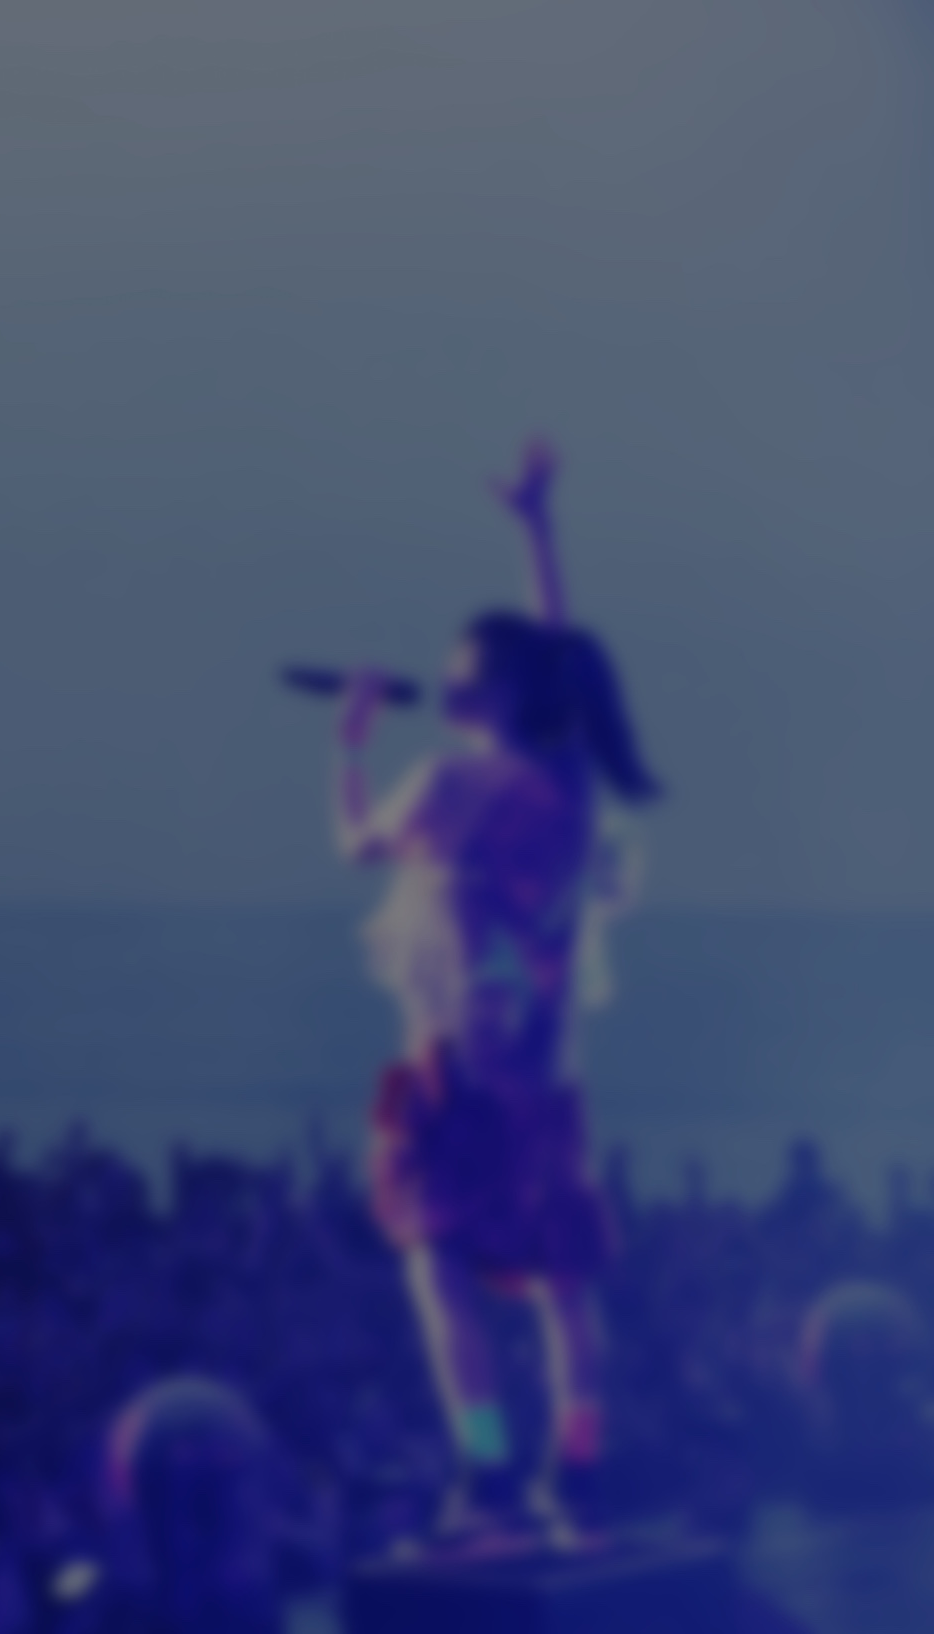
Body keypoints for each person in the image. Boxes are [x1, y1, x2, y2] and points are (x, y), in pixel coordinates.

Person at [328, 440, 662, 1549]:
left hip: (454, 1080)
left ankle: (487, 1469)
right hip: (547, 1084)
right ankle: (581, 1466)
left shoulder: (441, 781)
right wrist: (538, 530)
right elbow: (558, 650)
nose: (446, 675)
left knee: (441, 1276)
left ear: (497, 688)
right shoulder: (567, 781)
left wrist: (349, 744)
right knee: (565, 1286)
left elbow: (354, 845)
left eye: (462, 666)